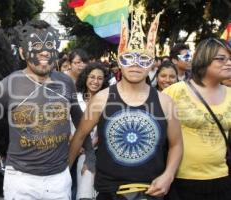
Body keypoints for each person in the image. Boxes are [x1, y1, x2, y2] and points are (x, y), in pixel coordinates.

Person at [69, 7, 183, 200]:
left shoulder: (165, 101)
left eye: (143, 58)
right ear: (120, 61)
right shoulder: (101, 98)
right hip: (109, 192)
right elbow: (79, 137)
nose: (135, 64)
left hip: (152, 192)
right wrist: (64, 172)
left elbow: (176, 144)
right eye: (129, 58)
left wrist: (168, 175)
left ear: (151, 63)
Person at [0, 20, 82, 200]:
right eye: (37, 45)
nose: (45, 51)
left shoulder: (66, 82)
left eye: (49, 45)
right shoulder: (8, 85)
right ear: (23, 52)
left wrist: (88, 159)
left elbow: (81, 122)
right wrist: (1, 165)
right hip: (20, 182)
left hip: (59, 180)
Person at [163, 38, 231, 200]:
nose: (228, 63)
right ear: (203, 59)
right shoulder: (174, 92)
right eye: (221, 59)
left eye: (230, 59)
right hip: (180, 181)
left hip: (222, 179)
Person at [75, 62, 109, 200]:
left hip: (93, 150)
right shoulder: (75, 97)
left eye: (99, 78)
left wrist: (89, 146)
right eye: (92, 77)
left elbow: (105, 128)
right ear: (85, 77)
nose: (95, 81)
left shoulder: (107, 100)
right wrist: (74, 143)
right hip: (70, 147)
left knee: (87, 177)